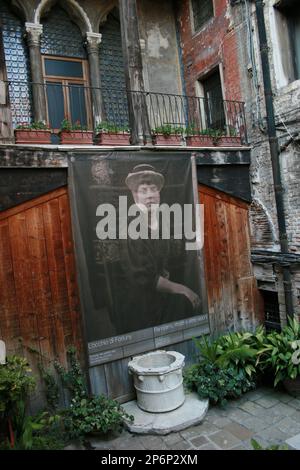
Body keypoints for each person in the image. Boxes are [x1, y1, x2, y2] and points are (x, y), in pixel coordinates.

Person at [113, 163, 200, 333]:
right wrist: (183, 289)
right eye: (143, 191)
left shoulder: (160, 223)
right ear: (135, 195)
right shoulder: (132, 228)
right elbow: (144, 277)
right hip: (138, 305)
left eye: (153, 189)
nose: (150, 196)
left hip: (159, 299)